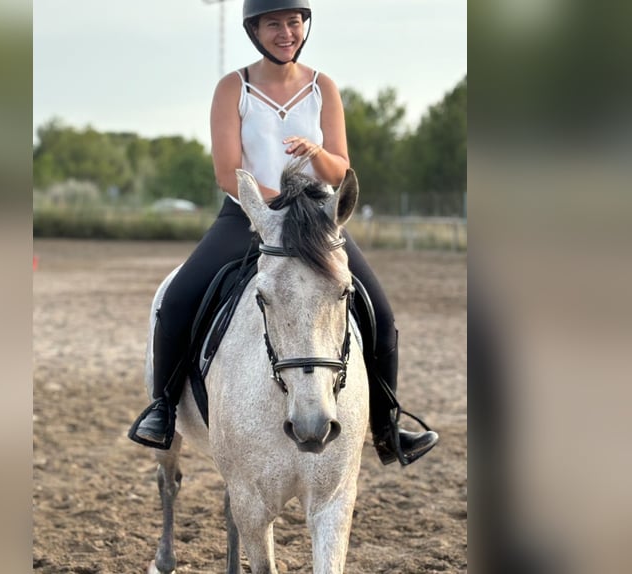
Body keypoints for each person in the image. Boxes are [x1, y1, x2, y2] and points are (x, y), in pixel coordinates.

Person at [129, 0, 438, 465]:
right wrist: (275, 206)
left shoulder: (322, 88)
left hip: (316, 222)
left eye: (294, 22)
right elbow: (228, 171)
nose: (286, 32)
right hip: (247, 216)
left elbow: (339, 170)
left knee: (381, 313)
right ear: (254, 29)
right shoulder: (233, 87)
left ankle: (388, 426)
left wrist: (315, 152)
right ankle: (163, 409)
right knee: (176, 301)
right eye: (274, 23)